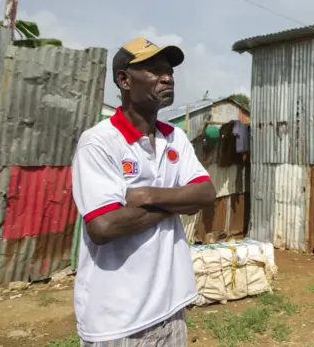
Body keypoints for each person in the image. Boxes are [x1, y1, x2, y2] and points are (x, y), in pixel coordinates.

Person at [71, 37, 217, 346]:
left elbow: (205, 194)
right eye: (153, 70)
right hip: (118, 320)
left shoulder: (174, 137)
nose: (167, 77)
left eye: (169, 71)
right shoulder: (99, 142)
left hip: (170, 308)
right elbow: (103, 226)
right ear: (124, 80)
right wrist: (179, 201)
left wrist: (148, 194)